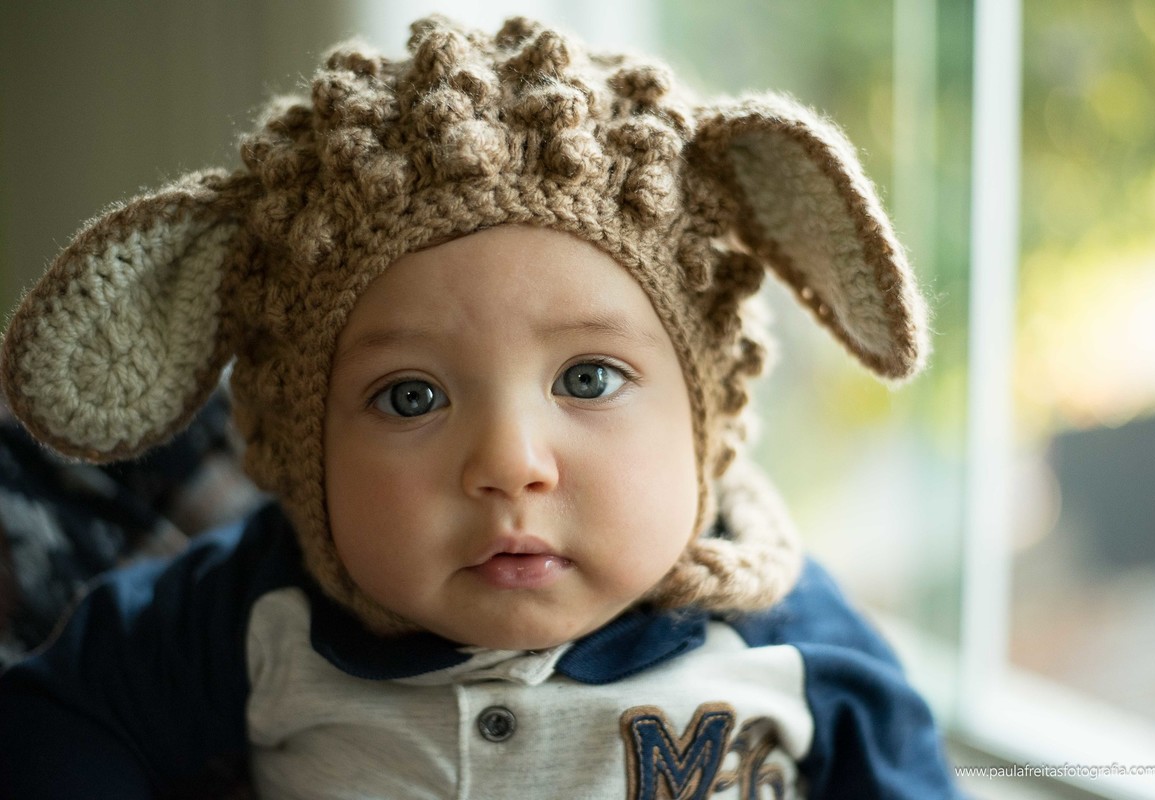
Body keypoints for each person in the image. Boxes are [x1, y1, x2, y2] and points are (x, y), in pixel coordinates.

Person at [0, 15, 964, 799]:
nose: (509, 463)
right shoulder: (255, 611)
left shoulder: (783, 632)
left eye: (588, 379)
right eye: (411, 396)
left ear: (703, 415)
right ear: (304, 449)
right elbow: (56, 722)